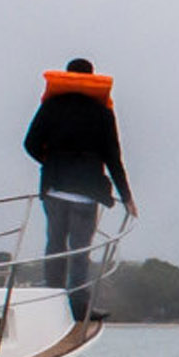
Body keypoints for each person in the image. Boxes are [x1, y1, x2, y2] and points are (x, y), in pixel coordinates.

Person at [21, 58, 138, 320]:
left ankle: (50, 302)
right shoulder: (102, 112)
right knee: (80, 250)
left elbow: (29, 143)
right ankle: (79, 307)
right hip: (87, 193)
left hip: (54, 189)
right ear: (91, 77)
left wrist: (50, 163)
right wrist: (127, 197)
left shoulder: (51, 106)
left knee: (55, 246)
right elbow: (113, 158)